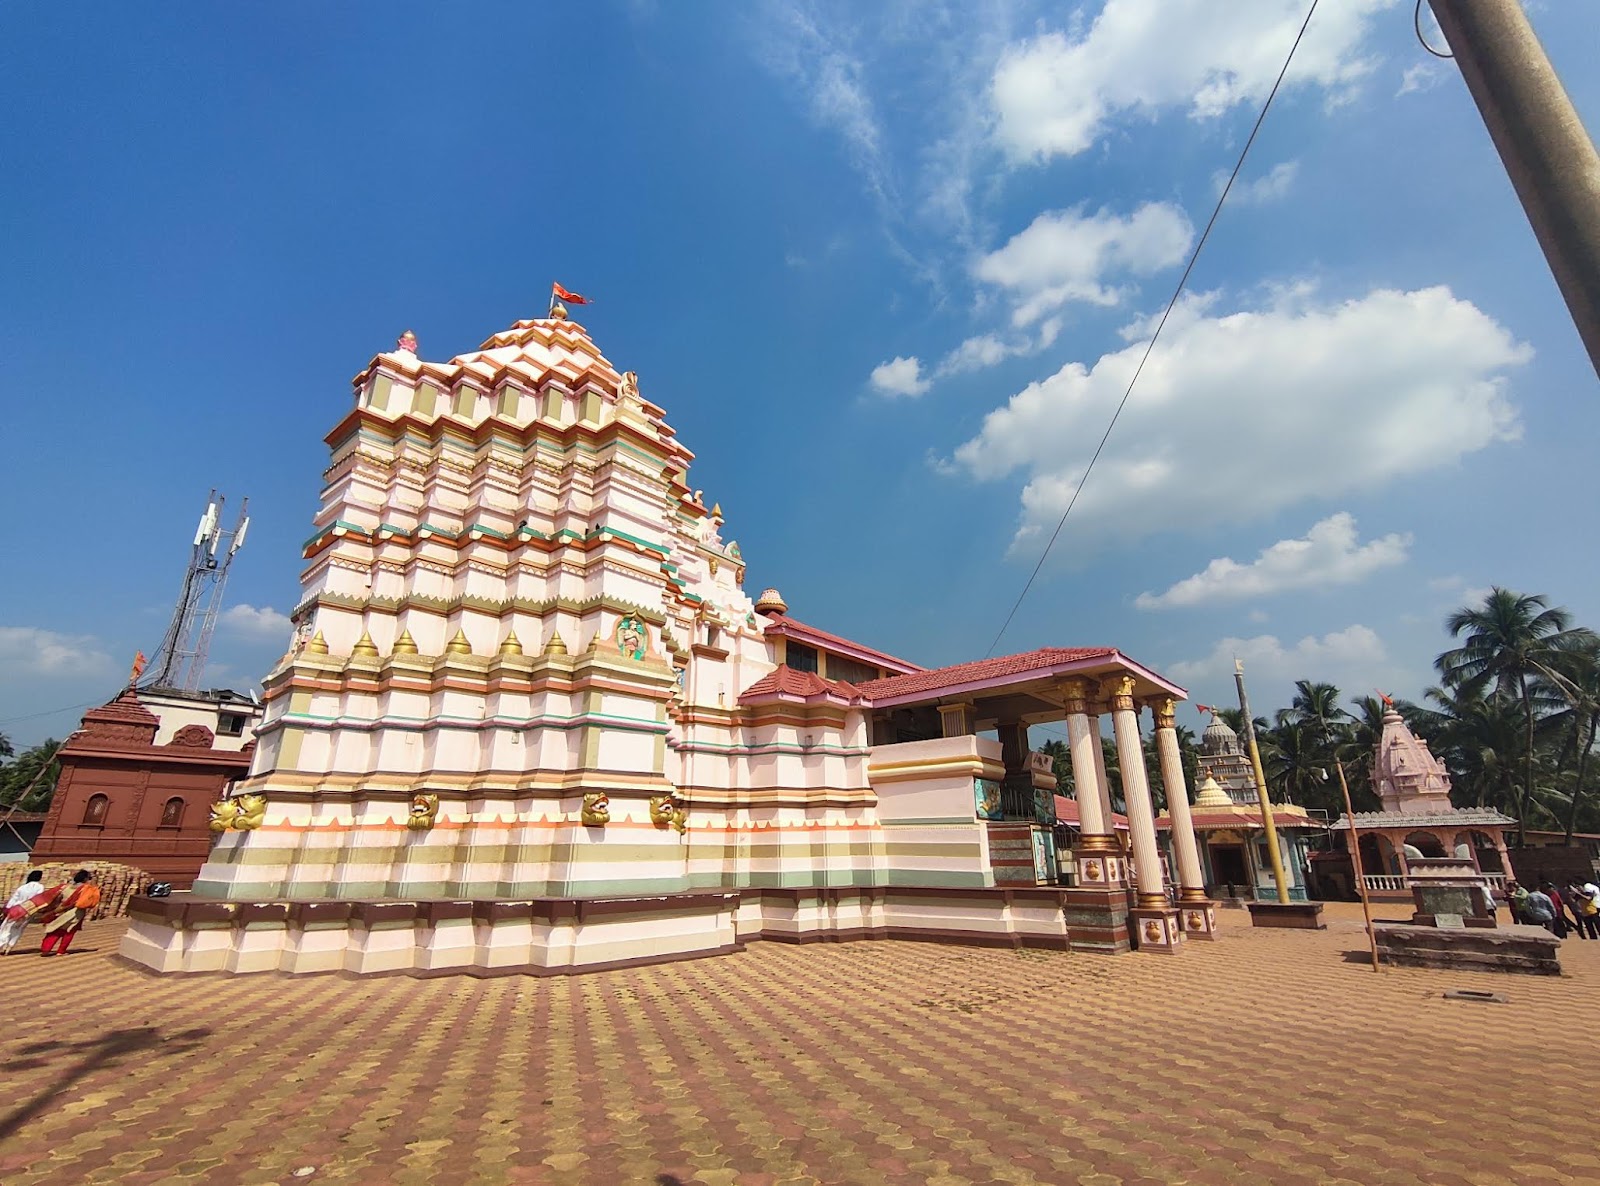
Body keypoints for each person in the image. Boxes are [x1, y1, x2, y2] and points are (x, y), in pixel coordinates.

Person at [38, 869, 99, 956]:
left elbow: (57, 898)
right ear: (85, 879)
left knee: (55, 929)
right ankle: (61, 951)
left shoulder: (65, 887)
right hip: (76, 912)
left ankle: (45, 949)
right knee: (69, 931)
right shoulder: (85, 889)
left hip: (61, 910)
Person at [0, 870, 46, 953]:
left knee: (5, 928)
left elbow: (13, 900)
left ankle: (1, 944)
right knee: (18, 929)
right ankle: (9, 947)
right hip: (27, 910)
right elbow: (38, 899)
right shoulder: (40, 887)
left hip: (15, 909)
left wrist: (7, 909)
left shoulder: (22, 887)